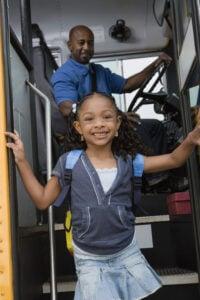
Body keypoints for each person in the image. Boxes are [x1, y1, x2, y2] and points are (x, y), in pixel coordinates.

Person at [5, 92, 200, 300]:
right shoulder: (69, 162)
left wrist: (190, 139)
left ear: (117, 125)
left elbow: (173, 160)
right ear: (78, 128)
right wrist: (22, 161)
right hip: (89, 257)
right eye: (89, 119)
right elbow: (42, 200)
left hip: (126, 251)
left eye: (107, 117)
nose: (99, 124)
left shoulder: (129, 161)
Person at [51, 25, 172, 185]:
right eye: (81, 43)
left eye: (90, 43)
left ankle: (154, 179)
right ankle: (155, 179)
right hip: (92, 134)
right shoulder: (64, 74)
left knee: (152, 127)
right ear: (70, 45)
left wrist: (155, 64)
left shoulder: (99, 71)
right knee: (151, 128)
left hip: (111, 125)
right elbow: (67, 108)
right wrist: (116, 117)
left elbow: (127, 84)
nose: (86, 47)